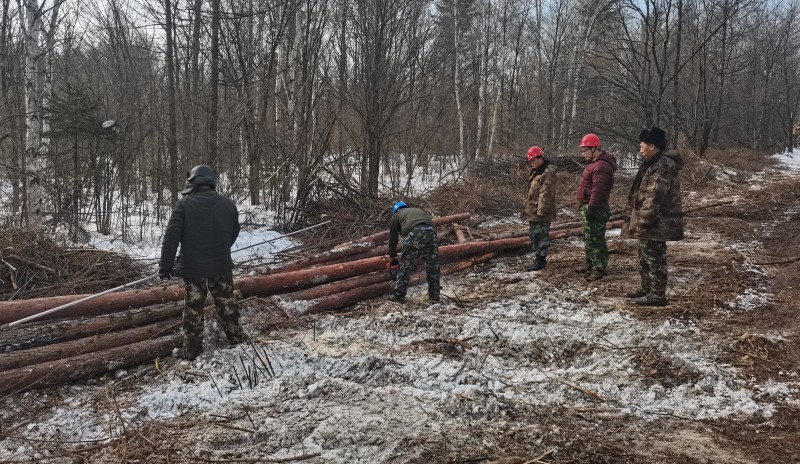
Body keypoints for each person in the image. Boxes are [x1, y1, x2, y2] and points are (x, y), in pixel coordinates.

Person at [159, 165, 246, 360]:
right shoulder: (229, 204)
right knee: (226, 301)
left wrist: (165, 266)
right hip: (221, 265)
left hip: (193, 267)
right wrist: (221, 249)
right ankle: (238, 339)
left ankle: (192, 350)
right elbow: (233, 233)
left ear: (194, 181)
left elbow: (171, 238)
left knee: (193, 306)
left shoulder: (184, 205)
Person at [621, 127, 684, 306]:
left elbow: (654, 195)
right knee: (644, 256)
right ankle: (646, 288)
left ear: (652, 146)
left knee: (655, 258)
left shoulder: (663, 165)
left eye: (642, 146)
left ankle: (657, 294)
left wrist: (644, 220)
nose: (640, 150)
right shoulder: (652, 162)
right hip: (650, 220)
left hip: (657, 222)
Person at [576, 133, 617, 281]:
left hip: (597, 208)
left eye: (585, 150)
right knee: (588, 237)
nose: (583, 153)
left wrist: (592, 207)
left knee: (595, 238)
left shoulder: (601, 166)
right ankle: (591, 264)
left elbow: (599, 189)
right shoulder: (594, 164)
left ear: (594, 149)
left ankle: (599, 268)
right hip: (590, 206)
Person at [388, 201, 441, 303]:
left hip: (415, 232)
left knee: (405, 266)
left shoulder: (396, 215)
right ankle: (435, 296)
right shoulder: (417, 211)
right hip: (432, 231)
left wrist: (392, 256)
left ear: (395, 210)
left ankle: (399, 296)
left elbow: (393, 238)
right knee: (433, 265)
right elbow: (427, 228)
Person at [521, 146, 557, 271]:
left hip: (540, 212)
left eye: (533, 160)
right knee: (535, 236)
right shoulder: (537, 171)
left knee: (541, 236)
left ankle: (541, 261)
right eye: (530, 161)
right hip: (533, 211)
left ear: (540, 158)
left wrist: (541, 213)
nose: (532, 163)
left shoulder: (547, 172)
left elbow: (546, 194)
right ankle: (538, 259)